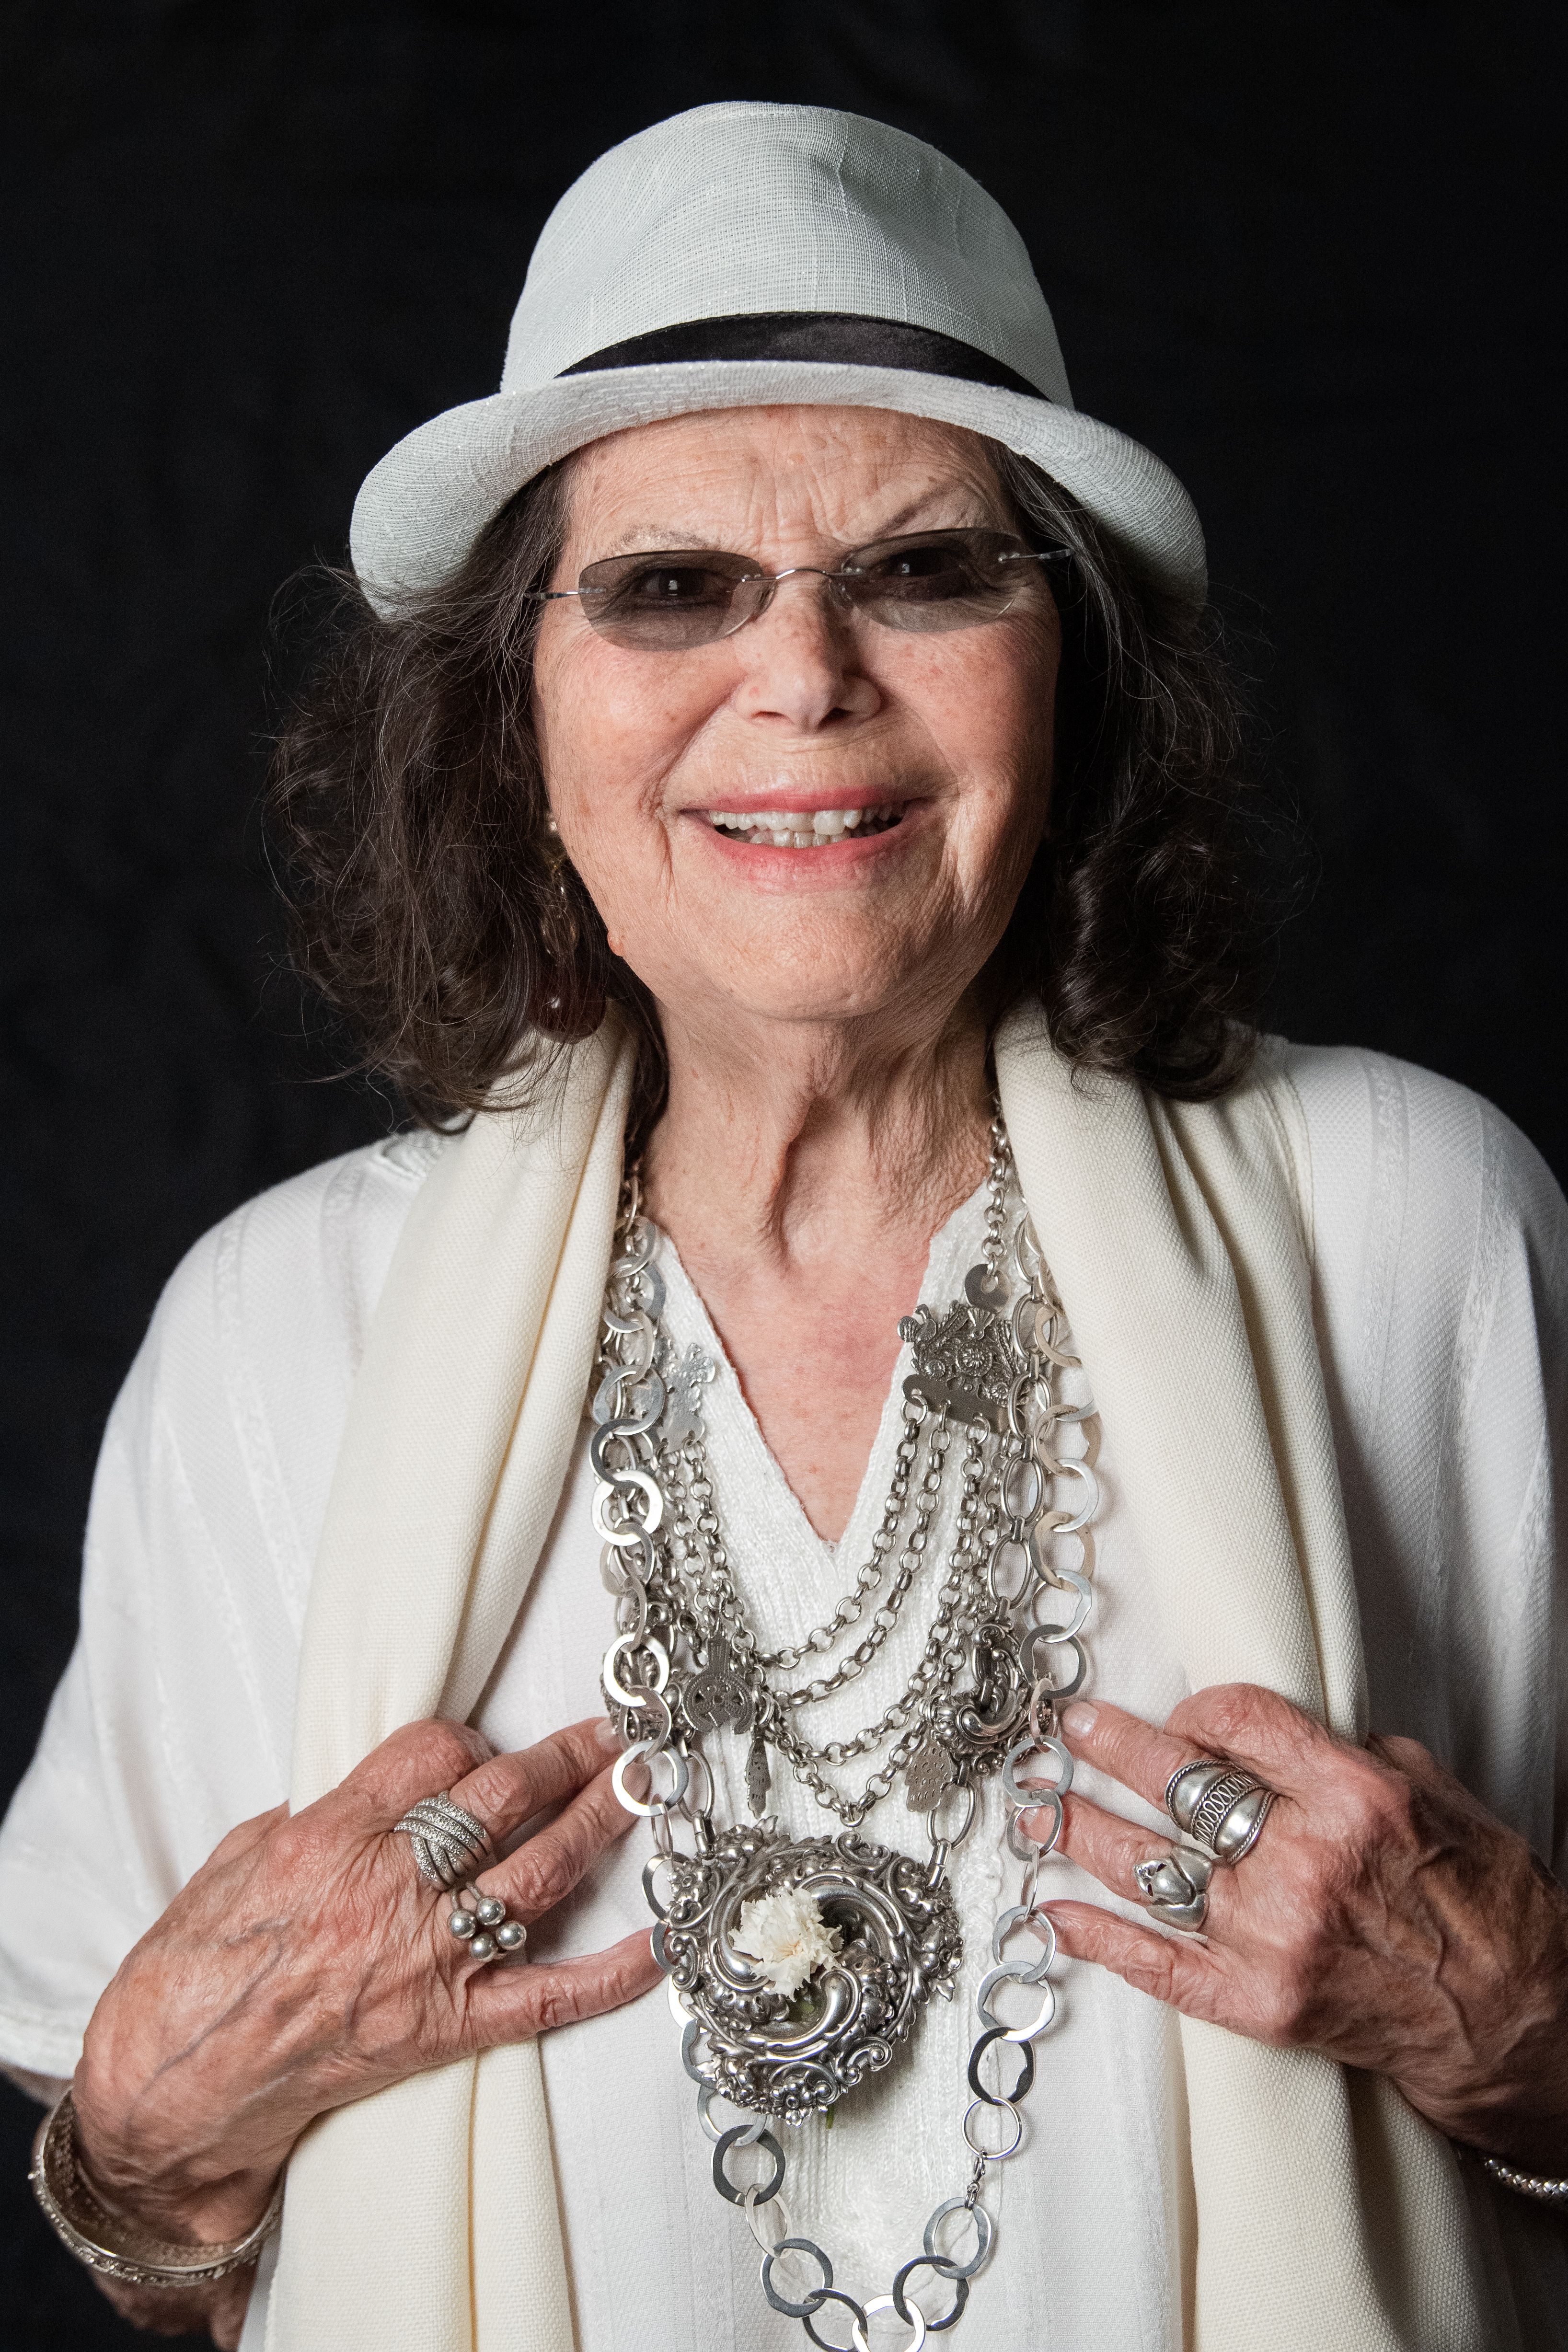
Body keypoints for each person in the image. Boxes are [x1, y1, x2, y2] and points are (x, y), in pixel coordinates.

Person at [1, 100, 1565, 2352]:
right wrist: (143, 2145)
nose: (802, 676)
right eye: (668, 588)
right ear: (511, 714)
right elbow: (159, 2213)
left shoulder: (1417, 1229)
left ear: (1079, 676)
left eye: (925, 572)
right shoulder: (277, 1335)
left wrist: (1524, 2033)